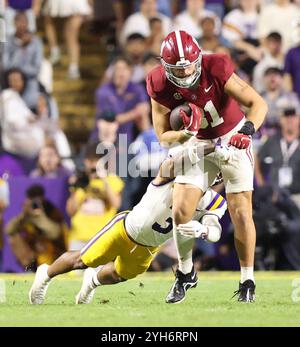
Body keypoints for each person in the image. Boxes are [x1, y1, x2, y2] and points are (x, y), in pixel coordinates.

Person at [147, 30, 268, 303]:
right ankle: (186, 272)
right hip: (198, 143)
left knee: (241, 212)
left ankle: (247, 279)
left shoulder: (216, 66)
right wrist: (184, 136)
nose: (186, 70)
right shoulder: (158, 81)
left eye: (189, 63)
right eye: (178, 68)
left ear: (198, 57)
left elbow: (257, 103)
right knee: (180, 209)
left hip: (232, 136)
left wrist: (247, 131)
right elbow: (162, 135)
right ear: (165, 67)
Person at [28, 142, 228, 305]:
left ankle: (91, 283)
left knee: (118, 275)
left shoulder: (215, 201)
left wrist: (203, 230)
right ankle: (45, 275)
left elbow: (215, 231)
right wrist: (210, 147)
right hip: (125, 228)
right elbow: (173, 162)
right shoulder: (172, 176)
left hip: (149, 247)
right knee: (83, 260)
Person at [66, 142, 124, 252]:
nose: (92, 165)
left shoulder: (112, 180)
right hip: (79, 236)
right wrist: (74, 188)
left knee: (98, 270)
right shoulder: (81, 181)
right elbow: (70, 211)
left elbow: (116, 204)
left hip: (101, 237)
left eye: (95, 160)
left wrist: (104, 180)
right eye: (89, 160)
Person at [5, 184, 67, 270]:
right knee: (14, 238)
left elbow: (55, 234)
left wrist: (40, 218)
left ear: (42, 199)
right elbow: (8, 231)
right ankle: (29, 269)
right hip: (34, 255)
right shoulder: (27, 213)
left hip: (53, 255)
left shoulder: (51, 211)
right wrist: (23, 215)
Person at [43, 0, 93, 79]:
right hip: (76, 4)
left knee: (71, 36)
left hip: (76, 4)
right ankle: (72, 67)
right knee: (69, 35)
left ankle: (72, 67)